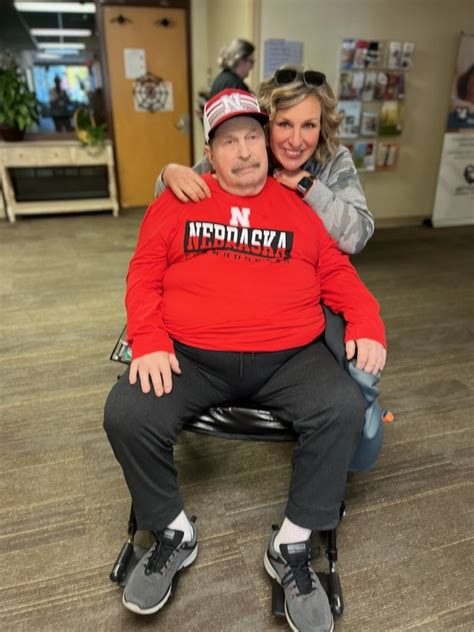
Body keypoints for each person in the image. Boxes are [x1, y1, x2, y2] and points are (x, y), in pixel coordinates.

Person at [104, 89, 386, 632]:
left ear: (266, 143)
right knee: (127, 413)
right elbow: (143, 272)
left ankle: (292, 544)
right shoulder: (179, 200)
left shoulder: (299, 207)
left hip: (289, 357)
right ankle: (173, 532)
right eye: (229, 141)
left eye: (253, 137)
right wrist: (149, 338)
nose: (245, 151)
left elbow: (336, 273)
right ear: (209, 154)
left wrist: (366, 322)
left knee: (342, 408)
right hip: (192, 356)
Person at [156, 66, 373, 255]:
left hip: (312, 273)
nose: (296, 141)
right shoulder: (248, 155)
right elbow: (170, 200)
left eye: (309, 125)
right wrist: (168, 174)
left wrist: (308, 185)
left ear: (322, 126)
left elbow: (357, 237)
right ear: (267, 126)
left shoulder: (332, 158)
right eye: (285, 124)